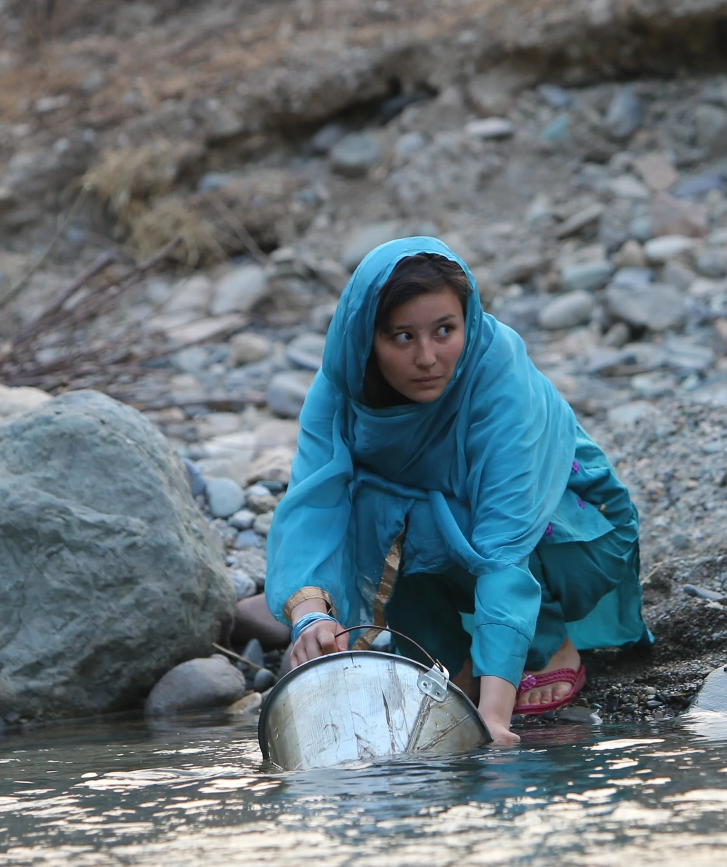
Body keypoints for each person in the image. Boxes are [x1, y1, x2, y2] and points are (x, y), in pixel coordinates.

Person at [262, 237, 647, 745]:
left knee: (436, 512)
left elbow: (504, 544)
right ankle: (448, 654)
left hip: (568, 533)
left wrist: (492, 720)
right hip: (443, 527)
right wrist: (310, 614)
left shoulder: (497, 375)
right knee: (375, 502)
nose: (427, 358)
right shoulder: (342, 388)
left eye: (445, 331)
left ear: (467, 320)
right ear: (366, 340)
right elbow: (314, 505)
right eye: (402, 337)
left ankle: (546, 646)